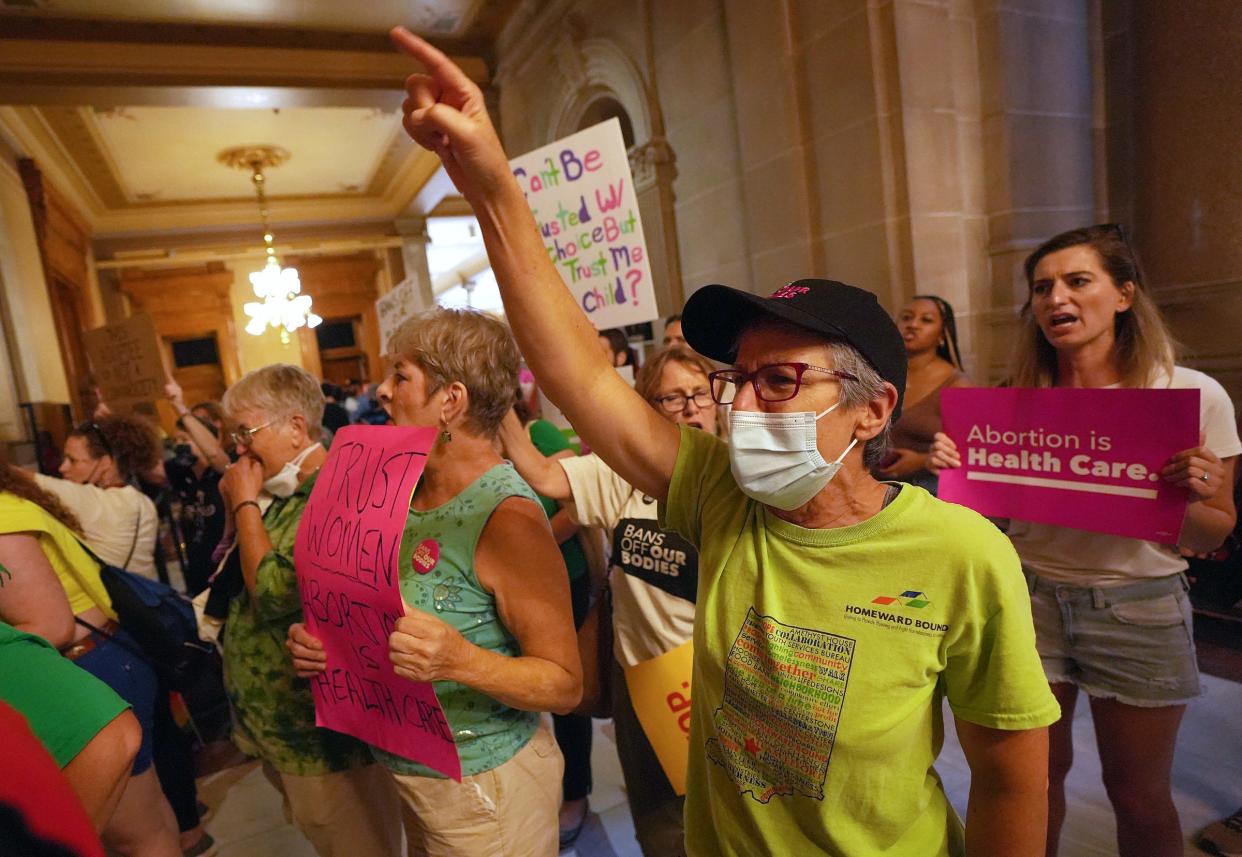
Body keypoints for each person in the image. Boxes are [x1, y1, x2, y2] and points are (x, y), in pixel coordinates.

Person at [388, 28, 1059, 857]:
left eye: (781, 381)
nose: (744, 406)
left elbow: (1011, 778)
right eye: (738, 379)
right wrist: (491, 186)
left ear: (872, 410)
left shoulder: (962, 553)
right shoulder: (719, 493)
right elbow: (583, 377)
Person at [928, 224, 1240, 857]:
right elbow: (988, 520)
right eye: (1042, 287)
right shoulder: (1014, 402)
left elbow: (1216, 529)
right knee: (1031, 782)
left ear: (1124, 294)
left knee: (1137, 794)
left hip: (1138, 606)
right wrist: (958, 469)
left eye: (1077, 281)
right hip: (1029, 602)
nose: (1055, 298)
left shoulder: (1190, 393)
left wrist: (1195, 491)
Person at [288, 307, 582, 857]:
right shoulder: (400, 491)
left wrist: (458, 661)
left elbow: (564, 685)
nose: (381, 391)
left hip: (487, 789)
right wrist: (329, 645)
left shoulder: (506, 519)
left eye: (400, 376)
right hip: (415, 770)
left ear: (450, 400)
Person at [499, 346, 719, 856]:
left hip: (717, 683)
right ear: (648, 408)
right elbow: (544, 476)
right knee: (661, 822)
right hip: (640, 678)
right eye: (672, 397)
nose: (690, 408)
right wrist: (497, 398)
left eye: (700, 393)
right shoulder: (627, 474)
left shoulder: (742, 478)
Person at [217, 364, 403, 857]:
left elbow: (275, 591)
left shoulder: (337, 491)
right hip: (283, 730)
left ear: (296, 427)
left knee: (361, 844)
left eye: (247, 432)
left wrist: (243, 504)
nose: (240, 448)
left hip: (324, 740)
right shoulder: (285, 493)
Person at [0, 464, 182, 856]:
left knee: (135, 836)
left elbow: (52, 624)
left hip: (90, 666)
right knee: (150, 823)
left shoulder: (2, 520)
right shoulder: (10, 503)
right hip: (107, 659)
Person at [512, 390, 595, 847]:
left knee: (569, 695)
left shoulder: (536, 432)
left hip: (564, 578)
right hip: (517, 587)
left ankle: (576, 793)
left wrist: (535, 544)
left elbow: (576, 506)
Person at [33, 416, 161, 579]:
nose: (62, 467)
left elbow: (26, 480)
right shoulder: (142, 501)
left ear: (106, 462)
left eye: (72, 460)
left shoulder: (101, 502)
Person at [874, 295, 970, 492]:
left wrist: (921, 461)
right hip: (876, 487)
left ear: (942, 335)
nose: (913, 325)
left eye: (926, 320)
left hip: (930, 491)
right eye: (907, 318)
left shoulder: (958, 386)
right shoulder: (878, 374)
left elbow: (974, 451)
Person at [162, 380, 230, 595]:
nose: (179, 445)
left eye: (185, 438)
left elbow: (215, 456)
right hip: (196, 574)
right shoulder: (181, 474)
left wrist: (180, 408)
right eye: (176, 440)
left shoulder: (223, 471)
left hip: (225, 572)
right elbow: (146, 468)